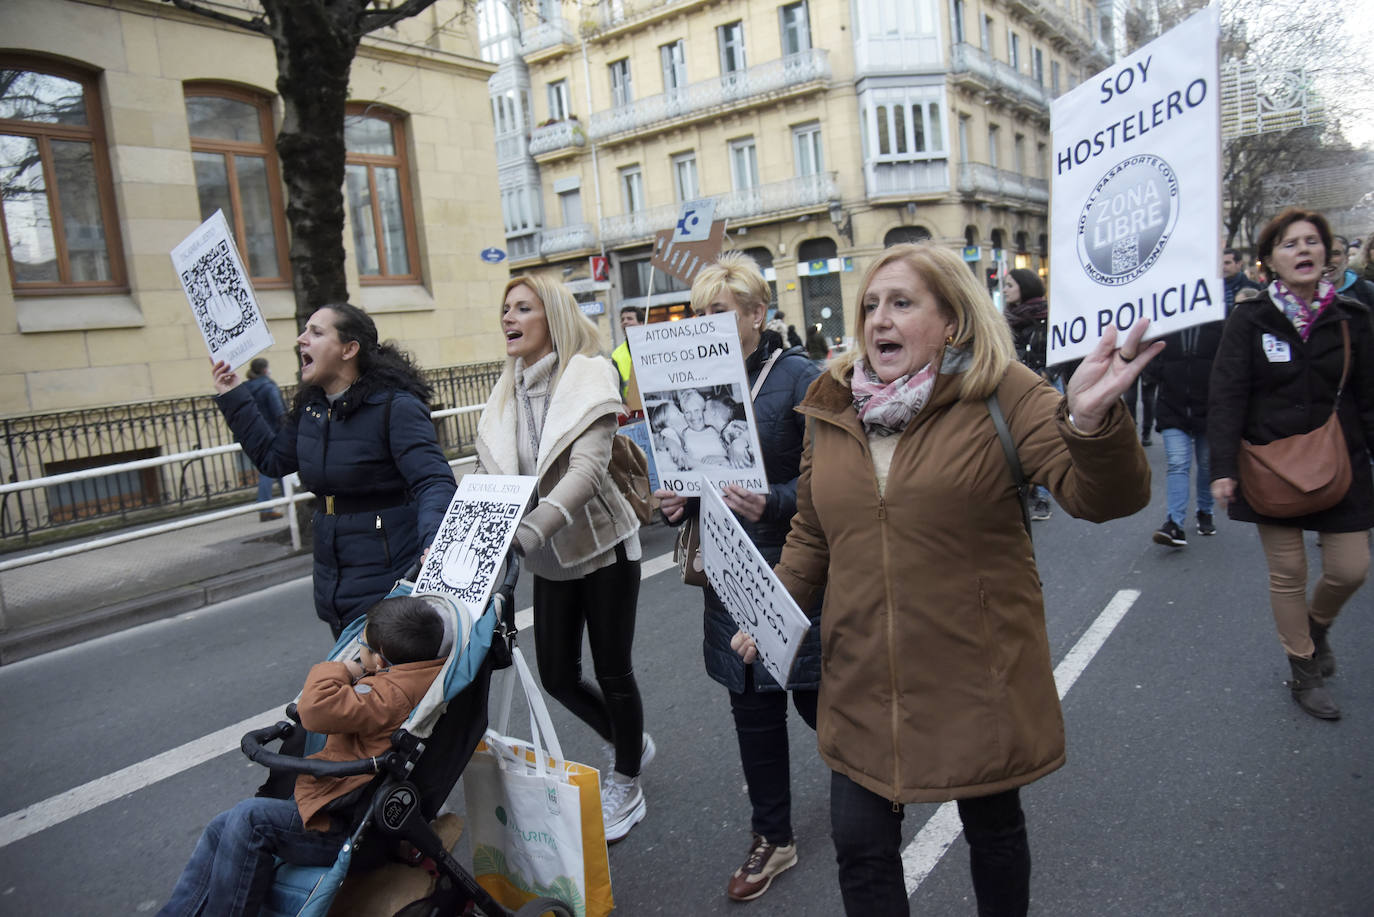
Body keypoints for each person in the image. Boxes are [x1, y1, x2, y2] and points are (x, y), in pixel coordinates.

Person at [733, 242, 1158, 916]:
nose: (879, 320)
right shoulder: (832, 404)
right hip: (864, 674)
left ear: (953, 320)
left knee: (992, 832)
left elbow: (1102, 497)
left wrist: (1087, 421)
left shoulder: (1004, 392)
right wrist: (772, 605)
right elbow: (813, 531)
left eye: (902, 303)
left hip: (975, 673)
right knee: (861, 847)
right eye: (871, 305)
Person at [655, 252, 822, 902]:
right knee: (752, 707)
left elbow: (831, 482)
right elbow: (693, 474)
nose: (704, 324)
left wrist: (774, 500)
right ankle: (772, 836)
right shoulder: (684, 384)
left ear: (757, 315)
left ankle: (872, 785)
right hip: (730, 569)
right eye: (698, 313)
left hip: (795, 563)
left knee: (819, 700)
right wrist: (680, 501)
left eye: (718, 312)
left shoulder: (801, 377)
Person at [474, 275, 650, 841]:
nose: (509, 318)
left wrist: (526, 533)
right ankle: (629, 739)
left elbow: (587, 471)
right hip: (550, 559)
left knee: (613, 671)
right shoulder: (507, 390)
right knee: (556, 675)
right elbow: (490, 473)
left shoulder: (589, 375)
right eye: (505, 308)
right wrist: (461, 531)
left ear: (551, 316)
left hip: (603, 550)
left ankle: (628, 780)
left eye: (522, 308)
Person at [158, 596, 446, 917]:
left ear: (379, 661)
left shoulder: (388, 695)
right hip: (345, 804)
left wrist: (341, 669)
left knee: (250, 820)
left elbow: (315, 710)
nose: (358, 649)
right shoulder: (419, 674)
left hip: (343, 828)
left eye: (361, 644)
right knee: (221, 826)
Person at [1207, 208, 1374, 721]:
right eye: (1288, 244)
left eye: (1310, 242)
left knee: (1351, 569)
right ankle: (1303, 670)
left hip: (1341, 463)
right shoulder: (1249, 319)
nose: (1302, 250)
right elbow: (1228, 394)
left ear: (1325, 253)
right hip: (1269, 465)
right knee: (1288, 574)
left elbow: (1368, 399)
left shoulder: (1354, 317)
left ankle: (1316, 626)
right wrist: (1222, 466)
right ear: (1269, 261)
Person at [213, 303, 456, 638]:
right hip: (335, 580)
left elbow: (433, 480)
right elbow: (273, 460)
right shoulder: (312, 410)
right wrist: (233, 395)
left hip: (391, 576)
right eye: (304, 331)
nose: (301, 339)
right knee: (355, 685)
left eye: (316, 332)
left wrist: (434, 539)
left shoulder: (394, 407)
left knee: (392, 684)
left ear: (349, 349)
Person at [1145, 318, 1225, 547]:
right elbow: (1152, 363)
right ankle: (1174, 523)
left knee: (1207, 463)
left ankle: (1205, 510)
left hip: (1209, 408)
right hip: (1173, 406)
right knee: (1178, 463)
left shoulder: (1219, 325)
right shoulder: (1165, 326)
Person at [1004, 268, 1056, 521]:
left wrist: (1049, 373)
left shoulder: (1048, 316)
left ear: (1024, 287)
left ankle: (1043, 498)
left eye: (1009, 285)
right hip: (1013, 387)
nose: (1004, 290)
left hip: (1042, 384)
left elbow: (1059, 348)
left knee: (1039, 441)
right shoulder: (1005, 320)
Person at [242, 358, 286, 521]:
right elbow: (279, 412)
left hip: (254, 435)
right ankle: (265, 507)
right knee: (268, 471)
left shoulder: (246, 388)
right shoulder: (268, 387)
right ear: (265, 369)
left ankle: (288, 499)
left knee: (281, 468)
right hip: (272, 434)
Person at [1325, 234, 1374, 307]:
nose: (1329, 260)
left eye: (1335, 254)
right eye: (1324, 254)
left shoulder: (1367, 290)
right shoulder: (1306, 294)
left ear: (1346, 259)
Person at [611, 305, 645, 400]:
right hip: (631, 409)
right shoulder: (616, 354)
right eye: (622, 320)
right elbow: (615, 385)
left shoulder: (653, 347)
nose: (625, 322)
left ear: (641, 323)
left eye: (629, 318)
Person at [1223, 247, 1262, 316]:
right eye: (1221, 263)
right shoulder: (1213, 290)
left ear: (1239, 264)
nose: (1223, 267)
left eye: (1227, 263)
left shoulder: (1255, 288)